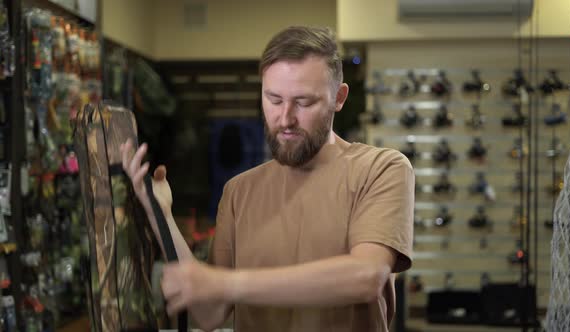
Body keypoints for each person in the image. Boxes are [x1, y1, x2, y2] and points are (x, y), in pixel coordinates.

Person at [120, 26, 414, 332]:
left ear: (338, 98)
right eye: (274, 99)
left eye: (303, 102)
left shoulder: (381, 169)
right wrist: (161, 215)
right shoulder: (239, 191)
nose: (285, 119)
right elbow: (210, 314)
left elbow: (366, 277)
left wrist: (227, 282)